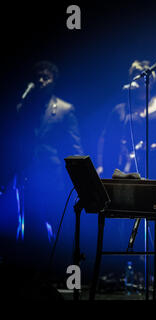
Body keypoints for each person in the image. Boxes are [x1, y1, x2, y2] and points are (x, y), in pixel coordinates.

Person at [10, 60, 84, 267]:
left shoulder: (64, 109)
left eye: (46, 77)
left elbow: (74, 145)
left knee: (54, 222)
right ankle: (32, 269)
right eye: (38, 77)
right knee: (29, 223)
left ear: (54, 81)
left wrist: (79, 178)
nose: (41, 81)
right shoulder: (24, 108)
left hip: (53, 176)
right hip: (27, 174)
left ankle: (59, 270)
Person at [97, 60, 156, 180]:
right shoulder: (121, 110)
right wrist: (101, 165)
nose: (140, 84)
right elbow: (106, 139)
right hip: (129, 168)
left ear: (151, 81)